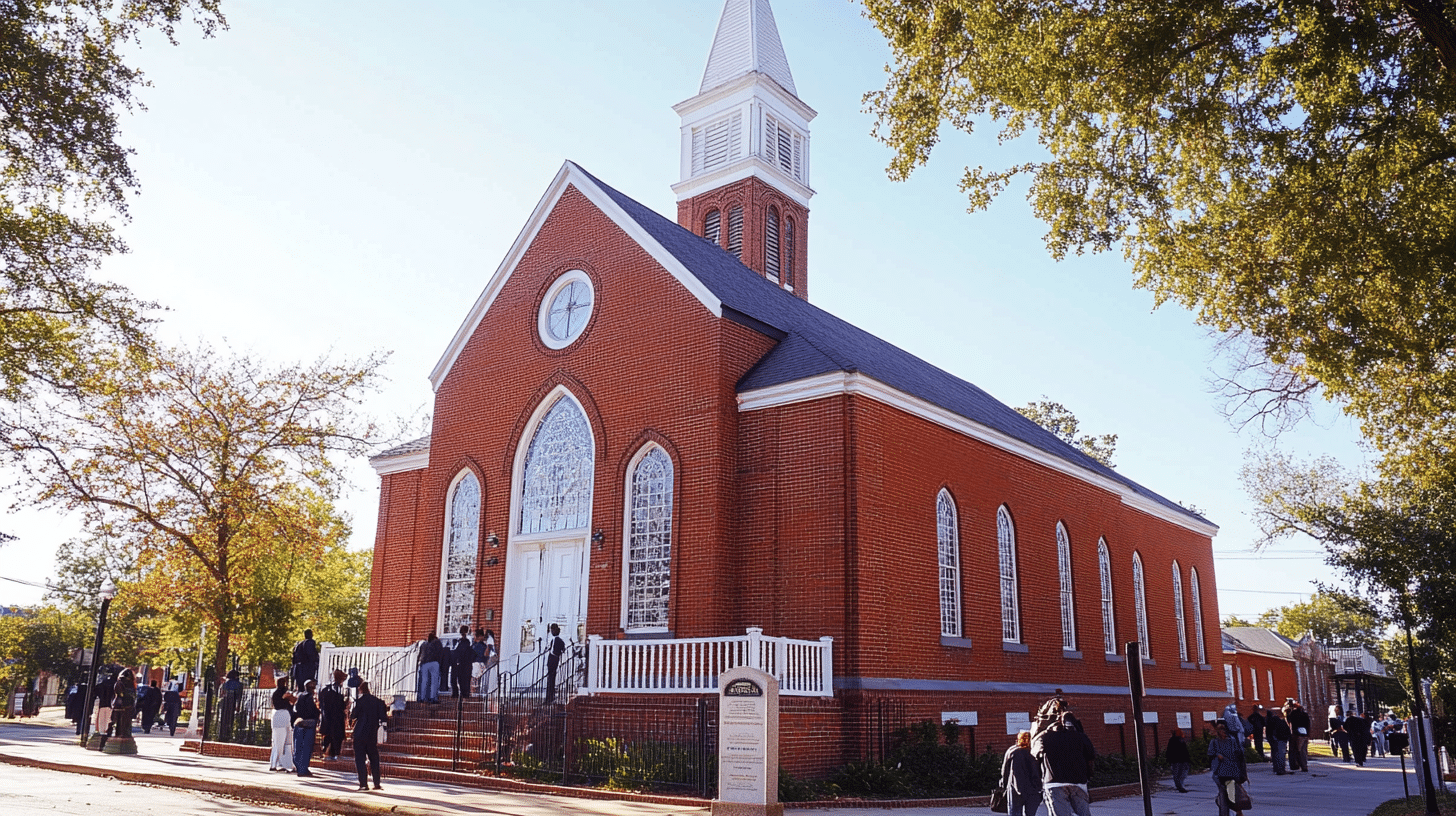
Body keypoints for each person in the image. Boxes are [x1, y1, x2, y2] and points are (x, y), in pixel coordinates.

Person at [1031, 710, 1095, 816]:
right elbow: (1091, 755)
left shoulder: (1046, 737)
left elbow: (1035, 753)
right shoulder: (1080, 736)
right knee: (1084, 813)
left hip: (1054, 782)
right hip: (1078, 781)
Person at [349, 680, 389, 791]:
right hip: (372, 733)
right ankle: (376, 783)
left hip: (360, 733)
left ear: (360, 690)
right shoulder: (378, 702)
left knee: (360, 759)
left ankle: (363, 784)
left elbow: (353, 716)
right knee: (374, 758)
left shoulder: (359, 702)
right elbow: (384, 717)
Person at [1208, 721, 1248, 816]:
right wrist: (1218, 755)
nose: (1223, 732)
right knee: (1224, 794)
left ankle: (1237, 811)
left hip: (1232, 772)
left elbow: (1239, 756)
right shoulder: (1214, 742)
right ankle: (1227, 812)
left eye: (1224, 730)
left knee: (1231, 794)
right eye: (1221, 730)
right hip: (1220, 772)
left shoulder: (1232, 741)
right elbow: (1210, 753)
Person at [1001, 729, 1043, 816]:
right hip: (1033, 788)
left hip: (1015, 787)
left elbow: (1005, 771)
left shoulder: (1012, 751)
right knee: (1030, 813)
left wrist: (1004, 785)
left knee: (1014, 812)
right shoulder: (1034, 752)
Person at [318, 669, 350, 761]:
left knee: (329, 735)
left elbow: (321, 702)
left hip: (327, 716)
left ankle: (328, 753)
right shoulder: (338, 689)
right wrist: (345, 703)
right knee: (336, 736)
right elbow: (340, 704)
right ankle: (333, 753)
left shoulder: (325, 688)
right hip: (336, 716)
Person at [292, 679, 320, 777]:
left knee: (298, 747)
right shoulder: (312, 697)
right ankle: (303, 769)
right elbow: (314, 710)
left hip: (300, 722)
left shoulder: (300, 696)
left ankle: (299, 767)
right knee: (306, 747)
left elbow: (296, 709)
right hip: (310, 722)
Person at [268, 676, 296, 772]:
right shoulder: (279, 693)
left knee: (288, 743)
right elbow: (292, 699)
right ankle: (274, 764)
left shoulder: (281, 692)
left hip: (285, 716)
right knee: (279, 742)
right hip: (280, 715)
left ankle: (288, 764)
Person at [543, 623, 566, 705]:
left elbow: (562, 650)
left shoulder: (558, 641)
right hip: (552, 659)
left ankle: (549, 697)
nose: (552, 632)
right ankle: (549, 697)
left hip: (553, 659)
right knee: (550, 678)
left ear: (556, 631)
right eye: (551, 630)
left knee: (551, 678)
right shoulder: (554, 640)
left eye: (553, 630)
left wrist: (555, 653)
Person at [218, 669, 244, 742]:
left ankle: (222, 735)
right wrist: (238, 706)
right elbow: (239, 697)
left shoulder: (225, 683)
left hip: (225, 702)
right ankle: (229, 734)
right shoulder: (239, 684)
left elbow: (222, 694)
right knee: (231, 719)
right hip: (232, 702)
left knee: (223, 719)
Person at [1286, 700, 1311, 773]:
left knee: (1296, 750)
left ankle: (1296, 765)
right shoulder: (1305, 714)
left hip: (1296, 734)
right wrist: (1308, 734)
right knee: (1303, 750)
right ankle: (1304, 765)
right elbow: (1308, 724)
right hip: (1304, 734)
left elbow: (1288, 721)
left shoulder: (1293, 714)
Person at [92, 671, 115, 749]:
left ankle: (102, 736)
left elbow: (95, 693)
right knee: (108, 721)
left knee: (101, 721)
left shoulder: (100, 686)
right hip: (110, 705)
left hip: (102, 704)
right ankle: (106, 735)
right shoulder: (113, 685)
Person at [1266, 706, 1292, 775]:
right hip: (1280, 739)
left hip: (1275, 739)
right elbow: (1285, 730)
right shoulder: (1279, 721)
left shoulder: (1269, 721)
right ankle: (1281, 769)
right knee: (1280, 754)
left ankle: (1277, 769)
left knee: (1275, 754)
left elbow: (1268, 732)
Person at [418, 633, 443, 705]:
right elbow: (440, 653)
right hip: (434, 662)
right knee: (434, 681)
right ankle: (433, 698)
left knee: (424, 681)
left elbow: (420, 654)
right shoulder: (437, 643)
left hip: (424, 663)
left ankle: (422, 698)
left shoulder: (423, 644)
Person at [451, 624, 475, 698]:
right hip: (458, 663)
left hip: (464, 663)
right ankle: (457, 693)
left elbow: (464, 652)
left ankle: (464, 694)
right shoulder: (459, 641)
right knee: (455, 679)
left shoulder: (467, 641)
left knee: (463, 680)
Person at [1165, 727, 1192, 792]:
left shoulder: (1175, 740)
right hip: (1179, 760)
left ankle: (1179, 785)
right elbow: (1184, 751)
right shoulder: (1179, 740)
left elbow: (1169, 751)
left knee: (1178, 774)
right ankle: (1180, 786)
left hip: (1177, 760)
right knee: (1180, 774)